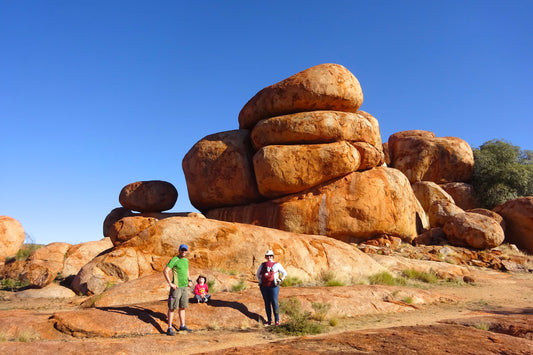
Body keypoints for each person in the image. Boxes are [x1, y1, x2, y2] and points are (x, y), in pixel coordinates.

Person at [163, 244, 193, 335]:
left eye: (185, 250)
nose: (184, 252)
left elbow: (187, 270)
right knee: (172, 307)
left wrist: (189, 280)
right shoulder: (174, 259)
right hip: (176, 287)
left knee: (182, 307)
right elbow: (165, 270)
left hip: (184, 287)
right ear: (179, 250)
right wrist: (170, 283)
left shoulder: (186, 260)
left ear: (187, 251)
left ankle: (182, 326)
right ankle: (169, 328)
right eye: (182, 250)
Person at [256, 249, 287, 326]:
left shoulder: (277, 265)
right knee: (267, 303)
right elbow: (258, 274)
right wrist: (262, 279)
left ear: (273, 256)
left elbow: (284, 273)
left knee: (274, 302)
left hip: (274, 286)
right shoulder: (263, 265)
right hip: (264, 286)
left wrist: (280, 279)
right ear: (266, 257)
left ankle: (277, 320)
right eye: (267, 256)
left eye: (270, 256)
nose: (269, 257)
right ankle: (269, 321)